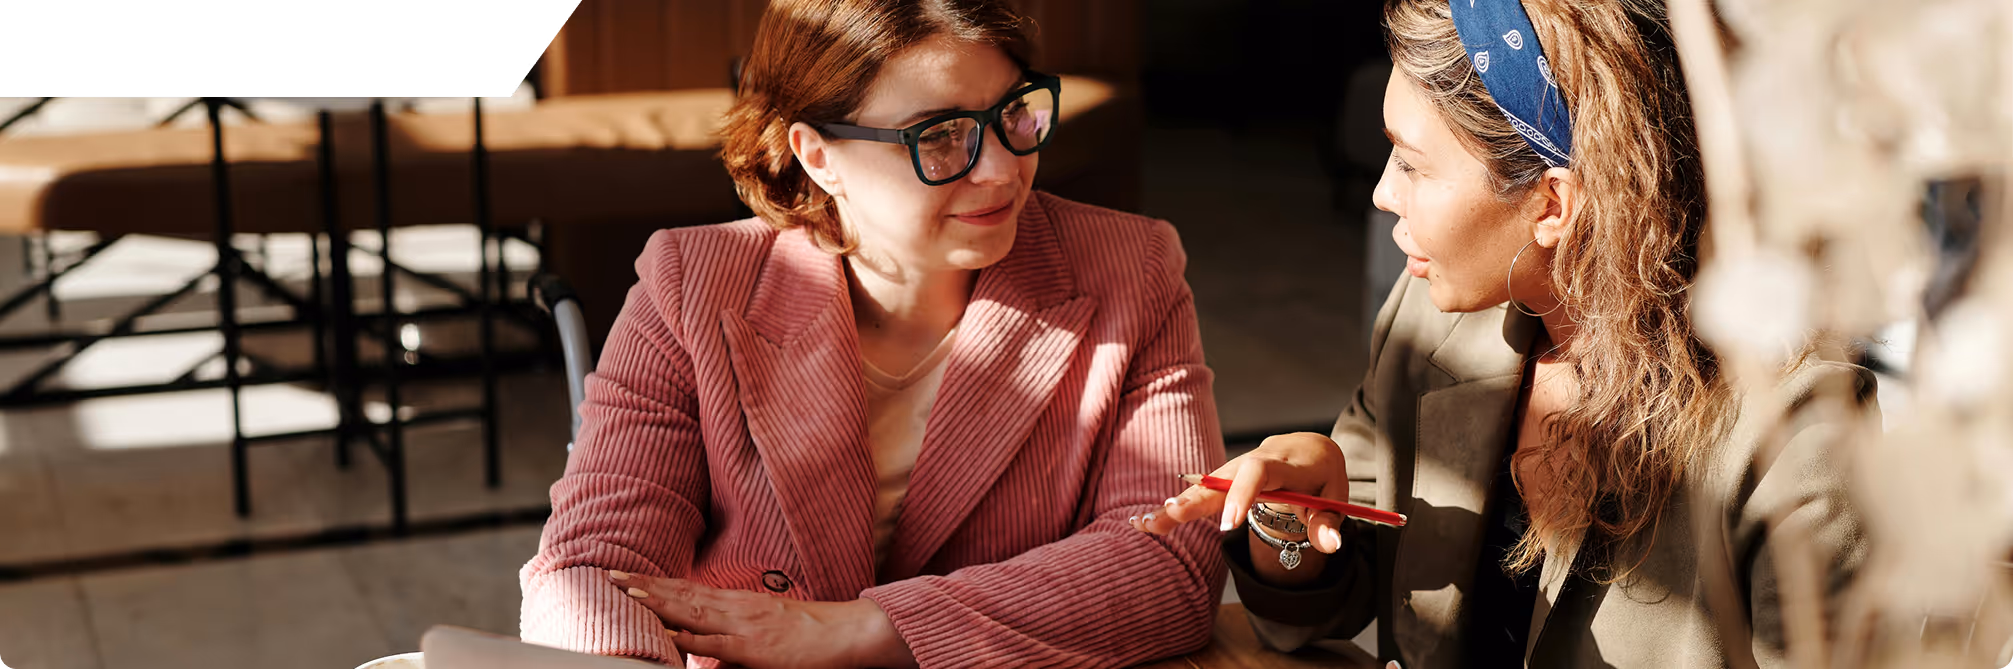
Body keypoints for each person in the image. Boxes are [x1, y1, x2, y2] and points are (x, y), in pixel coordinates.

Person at [1138, 0, 1875, 667]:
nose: (1380, 191)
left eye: (1413, 164)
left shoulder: (1793, 434)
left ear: (1552, 203)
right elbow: (1327, 597)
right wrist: (1287, 529)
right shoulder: (1432, 323)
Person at [519, 0, 1226, 667]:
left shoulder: (1129, 269)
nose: (1002, 168)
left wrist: (869, 628)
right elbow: (592, 567)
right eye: (941, 135)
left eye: (1013, 111)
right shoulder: (693, 283)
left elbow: (1171, 564)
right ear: (816, 154)